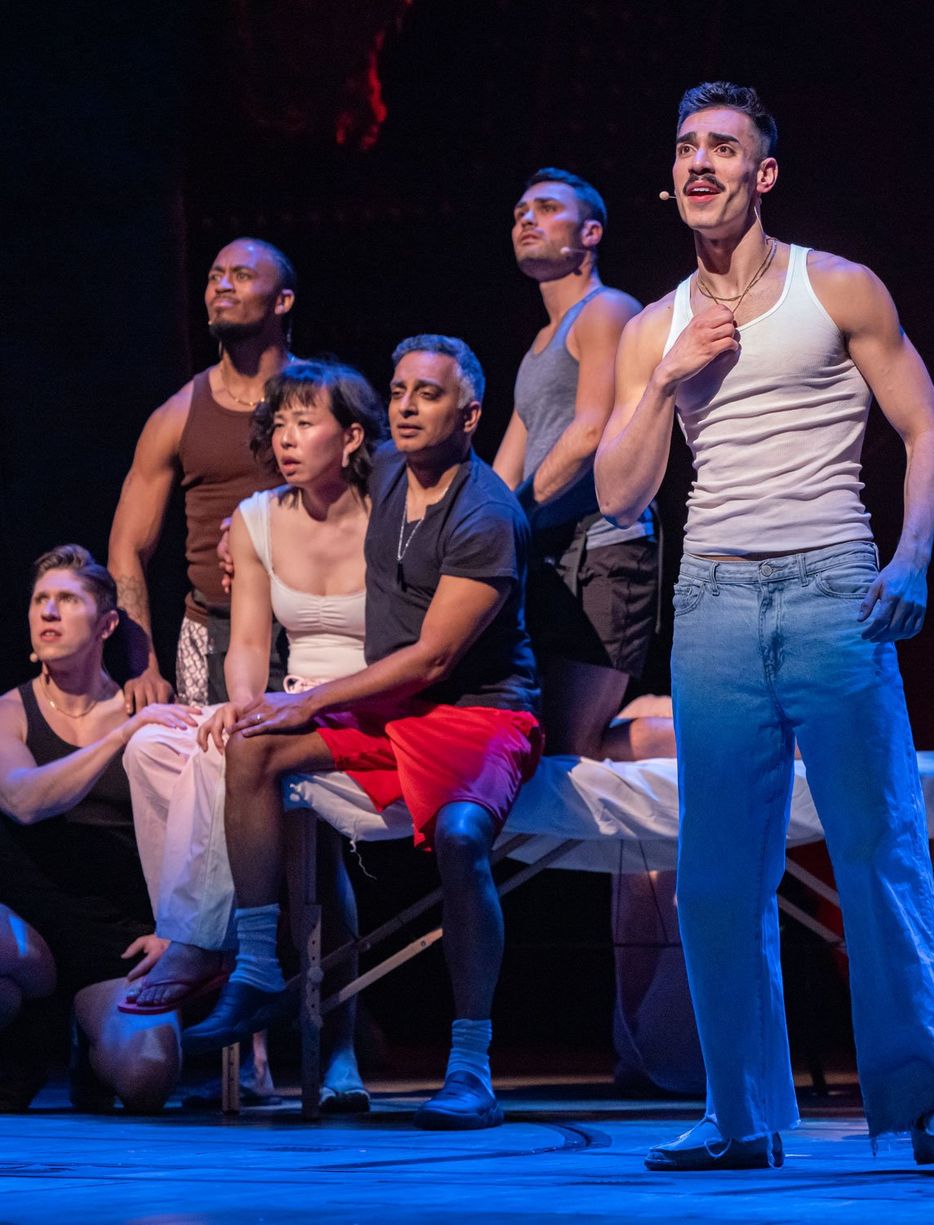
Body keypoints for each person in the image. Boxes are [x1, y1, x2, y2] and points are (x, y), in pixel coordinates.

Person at [595, 80, 934, 1170]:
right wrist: (664, 380)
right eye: (685, 147)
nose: (699, 162)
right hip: (713, 602)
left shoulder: (837, 286)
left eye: (722, 146)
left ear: (762, 173)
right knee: (718, 875)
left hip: (832, 591)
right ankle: (740, 1115)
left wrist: (911, 556)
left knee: (878, 846)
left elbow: (926, 430)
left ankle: (928, 1102)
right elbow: (619, 495)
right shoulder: (652, 327)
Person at [180, 334, 542, 1131]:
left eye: (429, 394)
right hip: (394, 709)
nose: (406, 407)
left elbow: (434, 657)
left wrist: (310, 700)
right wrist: (242, 530)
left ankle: (471, 1064)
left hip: (479, 708)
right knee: (252, 743)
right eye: (400, 391)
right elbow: (314, 468)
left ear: (469, 415)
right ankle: (255, 965)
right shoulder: (383, 470)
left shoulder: (485, 514)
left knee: (461, 835)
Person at [121, 358, 386, 1111]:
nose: (285, 438)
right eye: (278, 426)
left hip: (368, 703)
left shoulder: (391, 510)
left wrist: (268, 718)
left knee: (316, 862)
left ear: (351, 436)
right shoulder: (257, 517)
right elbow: (247, 642)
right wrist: (243, 704)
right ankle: (203, 932)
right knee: (152, 745)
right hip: (287, 703)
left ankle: (214, 950)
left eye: (305, 423)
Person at [0, 545, 200, 1112]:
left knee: (147, 1077)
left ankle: (83, 1048)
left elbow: (197, 833)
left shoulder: (153, 715)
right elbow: (23, 800)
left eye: (67, 600)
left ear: (107, 625)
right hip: (24, 935)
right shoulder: (10, 712)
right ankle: (24, 1035)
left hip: (111, 937)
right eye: (40, 600)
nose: (48, 612)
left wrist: (177, 927)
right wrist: (119, 736)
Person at [494, 168, 658, 758]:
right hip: (551, 552)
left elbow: (591, 432)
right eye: (520, 212)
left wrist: (513, 515)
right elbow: (505, 473)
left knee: (574, 743)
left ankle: (760, 739)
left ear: (590, 233)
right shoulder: (539, 346)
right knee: (550, 740)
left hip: (604, 548)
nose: (526, 219)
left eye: (545, 208)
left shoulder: (605, 310)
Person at [108, 236, 296, 711]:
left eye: (242, 276)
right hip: (213, 630)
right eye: (215, 277)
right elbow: (128, 546)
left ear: (282, 301)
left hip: (308, 624)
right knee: (214, 757)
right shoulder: (177, 414)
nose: (222, 287)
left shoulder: (323, 401)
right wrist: (143, 666)